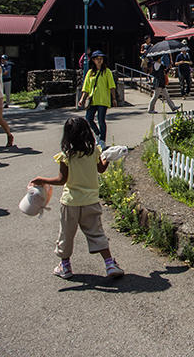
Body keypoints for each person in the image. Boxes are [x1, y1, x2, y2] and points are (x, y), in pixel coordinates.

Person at [30, 116, 124, 280]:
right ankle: (109, 264)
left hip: (71, 202)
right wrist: (107, 157)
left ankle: (65, 266)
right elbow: (101, 169)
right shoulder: (94, 152)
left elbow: (61, 180)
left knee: (66, 234)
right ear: (87, 133)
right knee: (96, 232)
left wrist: (42, 179)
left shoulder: (66, 156)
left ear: (67, 135)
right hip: (90, 201)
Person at [77, 50, 117, 149]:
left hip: (103, 100)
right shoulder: (90, 73)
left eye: (101, 59)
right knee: (89, 118)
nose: (99, 61)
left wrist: (114, 98)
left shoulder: (107, 71)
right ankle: (98, 134)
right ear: (93, 60)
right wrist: (82, 99)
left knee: (101, 120)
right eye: (97, 59)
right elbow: (86, 88)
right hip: (93, 99)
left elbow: (112, 86)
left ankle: (102, 140)